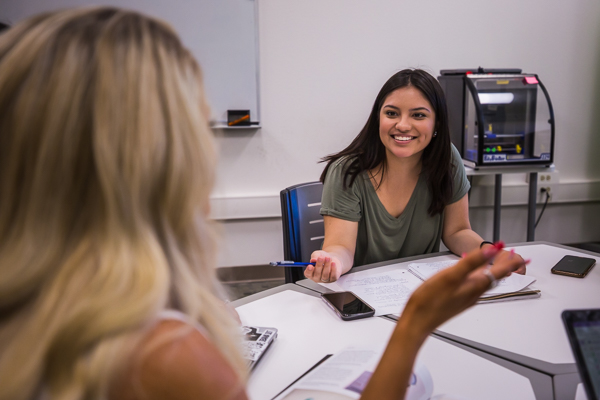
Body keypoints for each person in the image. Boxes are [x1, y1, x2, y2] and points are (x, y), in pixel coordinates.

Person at [0, 8, 528, 400]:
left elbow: (459, 231)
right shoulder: (164, 355)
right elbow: (342, 246)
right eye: (194, 131)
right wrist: (413, 328)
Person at [305, 69, 525, 283]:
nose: (402, 125)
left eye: (418, 115)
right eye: (391, 113)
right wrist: (332, 261)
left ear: (437, 123)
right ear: (377, 119)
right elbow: (341, 247)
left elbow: (457, 231)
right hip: (364, 295)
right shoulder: (347, 171)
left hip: (419, 291)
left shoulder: (447, 160)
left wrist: (492, 253)